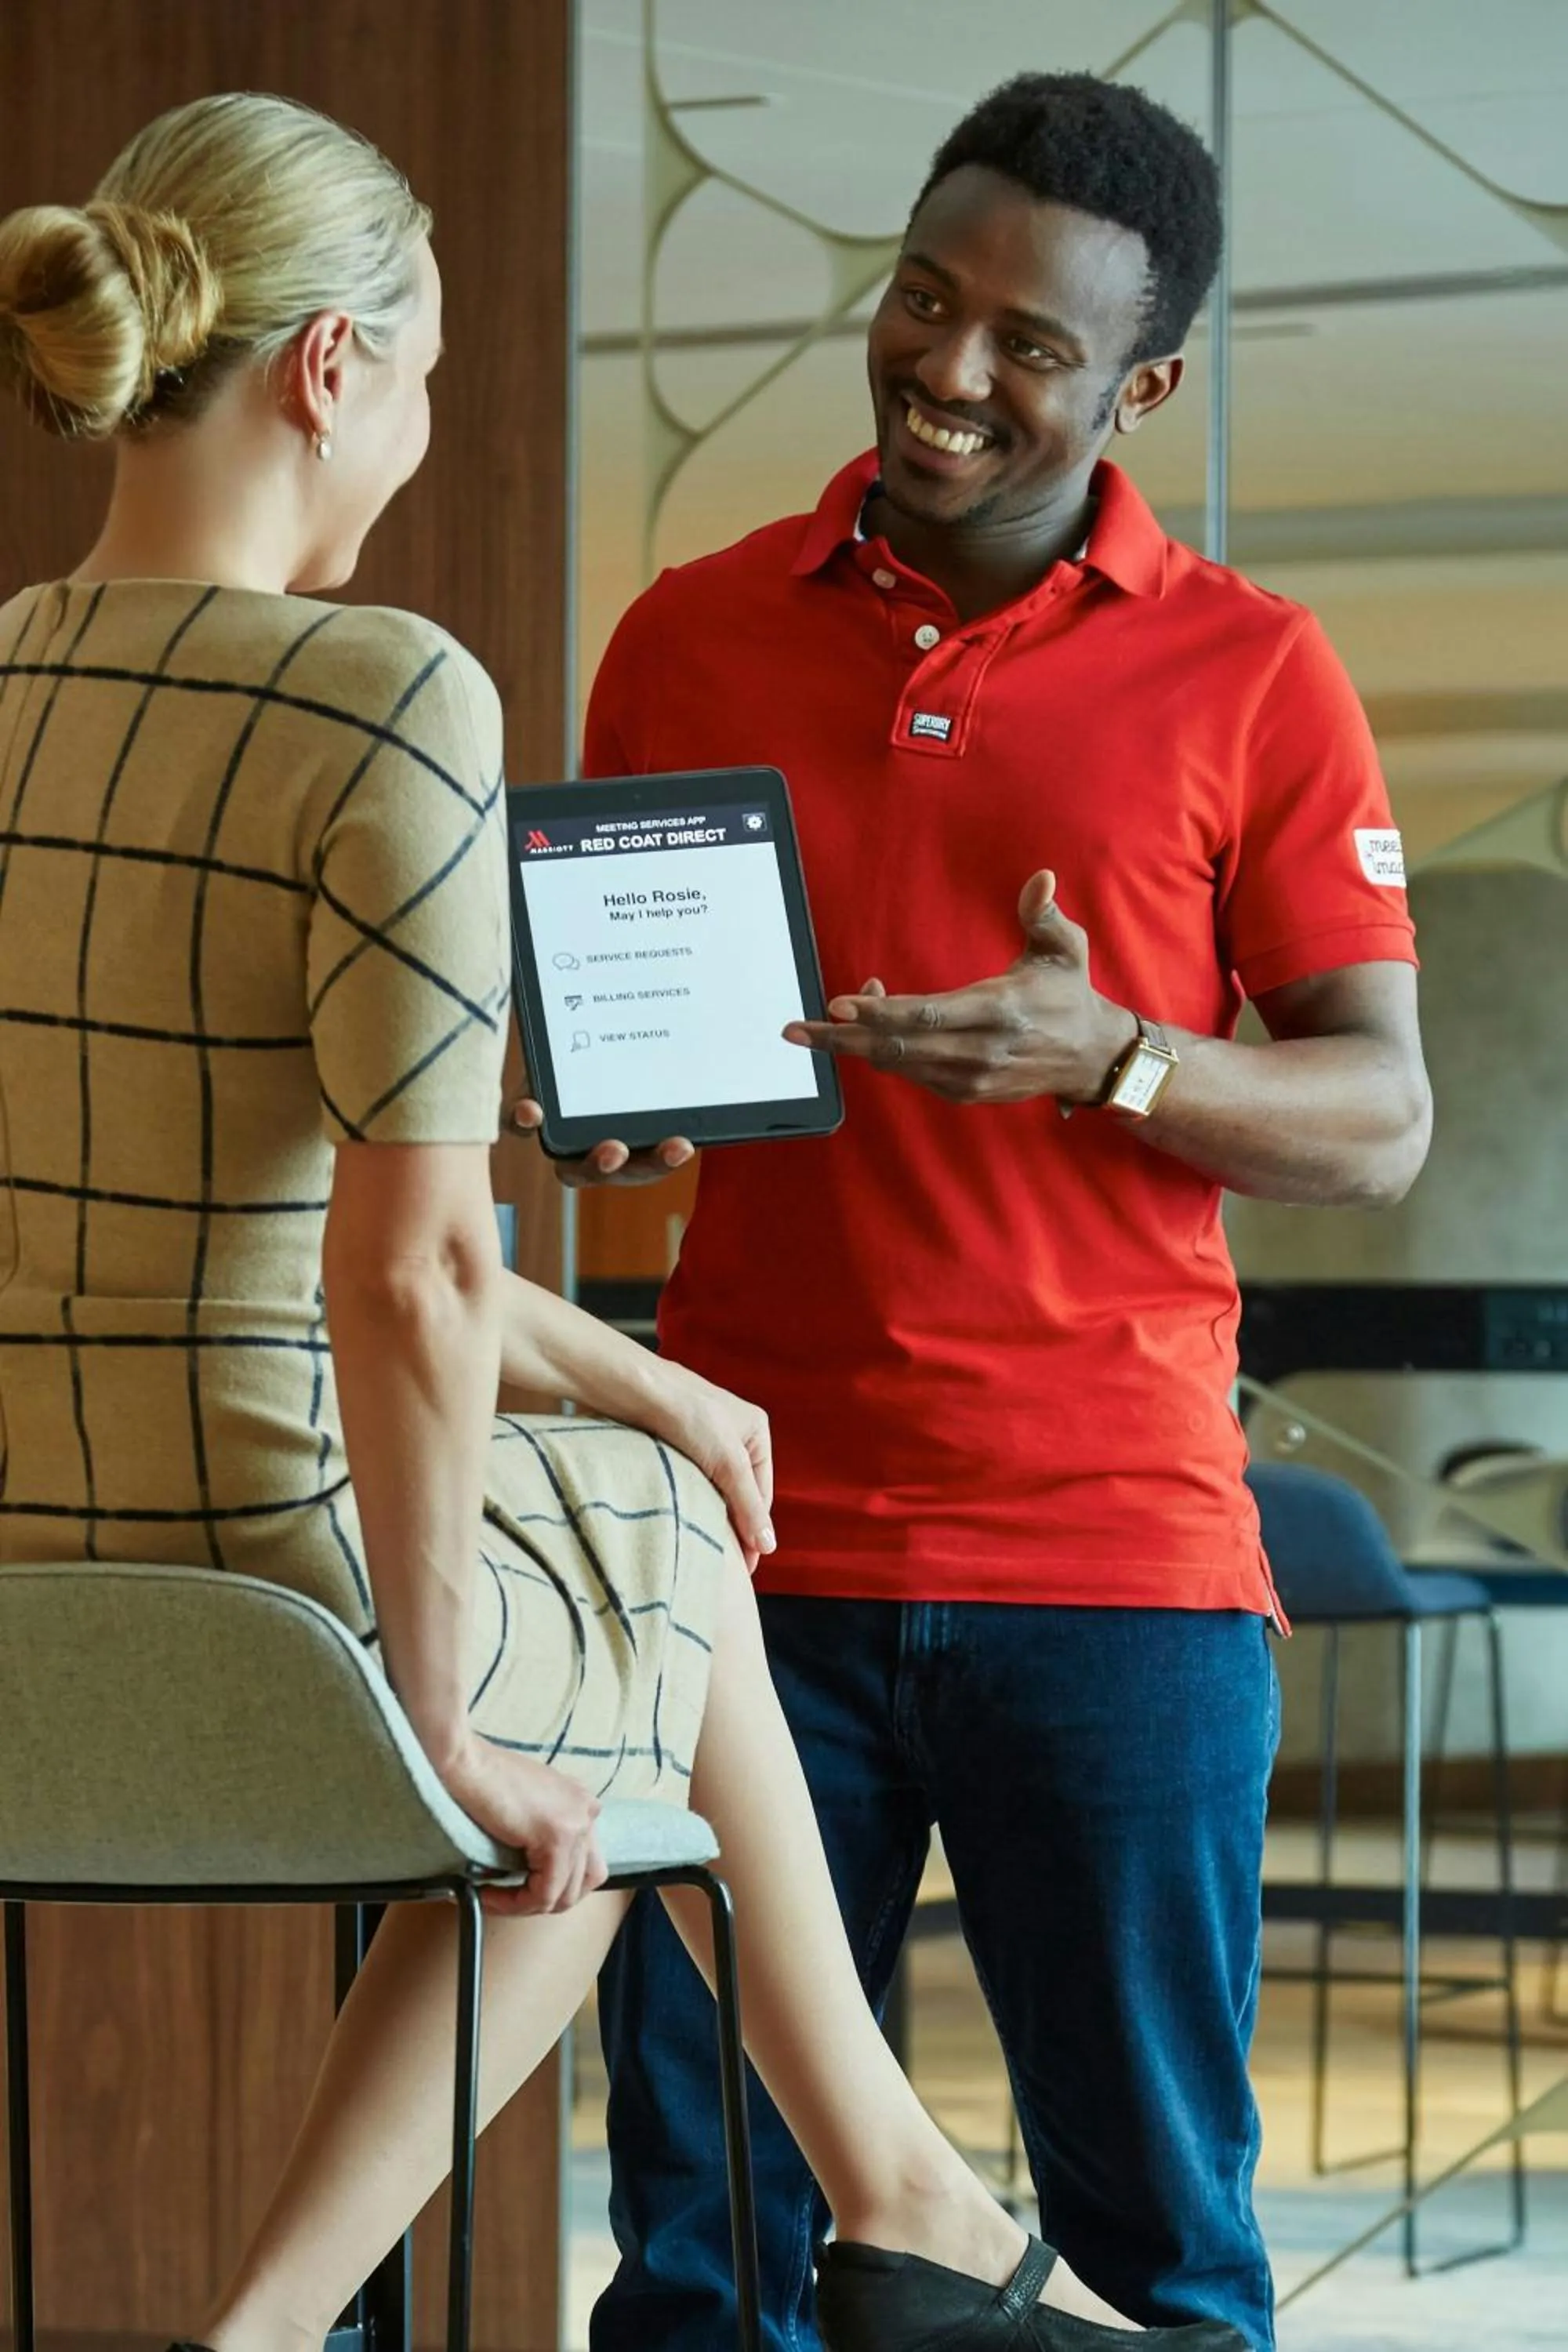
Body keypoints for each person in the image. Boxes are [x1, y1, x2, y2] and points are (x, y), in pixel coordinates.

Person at [0, 89, 1251, 2352]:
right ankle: (868, 2221)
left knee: (648, 1505)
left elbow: (253, 1238)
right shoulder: (378, 692)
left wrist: (639, 1365)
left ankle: (894, 2214)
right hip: (277, 1575)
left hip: (29, 1580)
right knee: (605, 1706)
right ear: (329, 367)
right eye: (434, 379)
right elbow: (415, 1272)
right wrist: (451, 1691)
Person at [518, 71, 1432, 2352]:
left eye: (1030, 342)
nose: (947, 368)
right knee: (708, 2250)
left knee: (1157, 2263)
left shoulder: (1256, 673)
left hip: (1111, 1572)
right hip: (733, 1560)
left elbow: (1379, 1110)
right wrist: (601, 1113)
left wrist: (1115, 1052)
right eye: (929, 298)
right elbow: (633, 1060)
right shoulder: (690, 634)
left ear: (1146, 385)